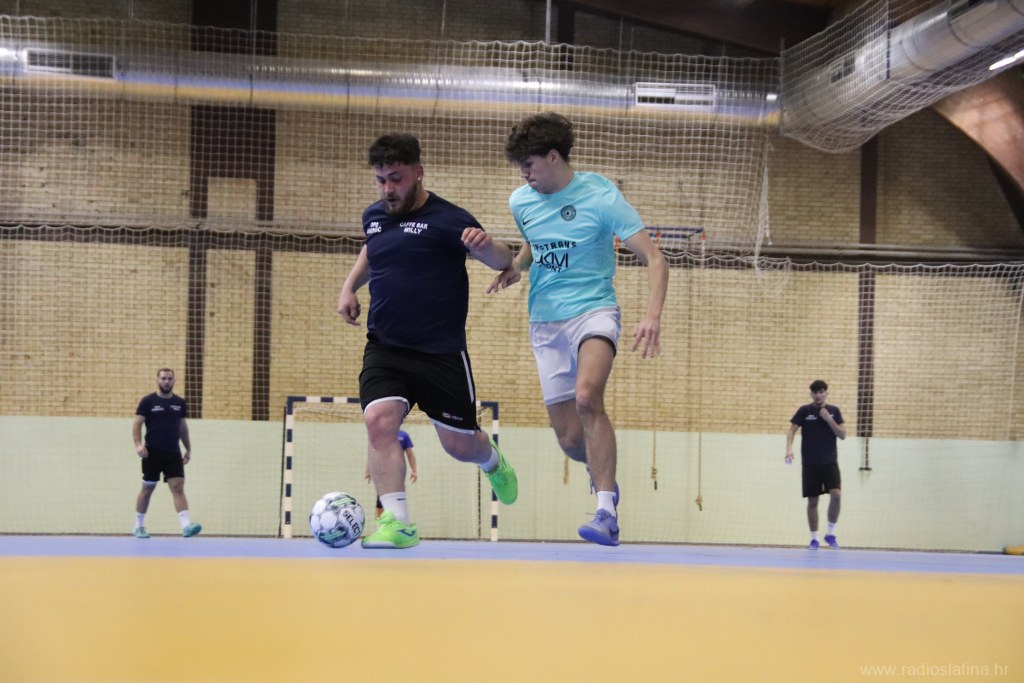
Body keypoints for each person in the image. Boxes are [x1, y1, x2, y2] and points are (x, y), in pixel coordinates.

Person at [490, 112, 668, 546]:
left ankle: (606, 512)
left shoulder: (600, 195)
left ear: (553, 157)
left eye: (529, 165)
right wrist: (517, 266)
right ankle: (600, 471)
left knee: (588, 398)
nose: (524, 175)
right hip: (545, 321)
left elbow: (656, 259)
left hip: (593, 310)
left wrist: (652, 316)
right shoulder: (521, 201)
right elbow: (534, 242)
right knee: (571, 439)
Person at [338, 132, 518, 549]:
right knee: (378, 421)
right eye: (380, 179)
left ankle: (493, 461)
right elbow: (372, 251)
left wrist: (489, 245)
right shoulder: (374, 216)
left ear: (419, 172)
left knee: (460, 446)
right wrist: (348, 287)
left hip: (440, 355)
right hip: (386, 347)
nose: (388, 189)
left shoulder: (449, 219)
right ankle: (397, 523)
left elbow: (502, 260)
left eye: (396, 179)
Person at [131, 368, 202, 538]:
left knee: (178, 487)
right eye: (163, 378)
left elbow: (183, 428)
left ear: (174, 381)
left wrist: (188, 449)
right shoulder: (148, 401)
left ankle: (186, 526)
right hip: (152, 453)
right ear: (158, 380)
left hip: (173, 453)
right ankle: (138, 526)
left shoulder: (180, 403)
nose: (166, 381)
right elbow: (137, 424)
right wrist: (138, 445)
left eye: (170, 379)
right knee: (147, 489)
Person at [786, 379, 846, 549]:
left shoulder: (834, 411)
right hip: (810, 463)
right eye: (815, 392)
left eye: (821, 392)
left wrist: (829, 420)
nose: (818, 395)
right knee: (813, 501)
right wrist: (789, 449)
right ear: (811, 394)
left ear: (826, 393)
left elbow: (842, 435)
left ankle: (830, 533)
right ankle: (814, 538)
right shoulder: (804, 411)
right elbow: (791, 429)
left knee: (836, 494)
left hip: (830, 462)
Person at [365, 429, 418, 518]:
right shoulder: (380, 434)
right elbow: (373, 453)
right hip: (382, 473)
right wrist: (368, 470)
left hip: (397, 474)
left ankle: (397, 521)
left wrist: (414, 471)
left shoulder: (403, 435)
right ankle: (381, 523)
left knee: (395, 500)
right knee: (380, 503)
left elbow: (410, 455)